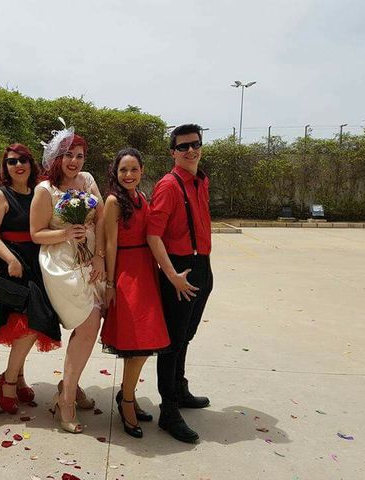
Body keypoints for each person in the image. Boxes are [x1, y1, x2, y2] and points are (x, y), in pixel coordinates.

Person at [30, 122, 106, 434]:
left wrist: (100, 254)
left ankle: (68, 384)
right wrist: (65, 232)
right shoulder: (45, 190)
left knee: (90, 325)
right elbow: (35, 234)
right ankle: (67, 399)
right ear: (56, 158)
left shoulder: (87, 181)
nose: (74, 161)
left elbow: (101, 217)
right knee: (88, 323)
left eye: (80, 155)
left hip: (90, 259)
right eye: (68, 155)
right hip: (59, 263)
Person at [0, 144, 62, 414]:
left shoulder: (39, 191)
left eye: (23, 160)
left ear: (31, 163)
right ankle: (9, 382)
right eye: (12, 161)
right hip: (10, 266)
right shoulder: (0, 195)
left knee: (28, 326)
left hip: (36, 264)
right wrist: (11, 259)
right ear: (5, 167)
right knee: (26, 325)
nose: (18, 165)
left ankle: (16, 378)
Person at [147, 124, 214, 443]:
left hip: (202, 265)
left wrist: (205, 270)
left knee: (186, 336)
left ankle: (180, 389)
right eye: (183, 147)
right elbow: (153, 234)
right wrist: (171, 274)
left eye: (195, 145)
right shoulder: (168, 185)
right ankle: (168, 411)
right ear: (173, 152)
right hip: (180, 269)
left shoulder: (202, 181)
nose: (191, 151)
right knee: (172, 343)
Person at [101, 147, 171, 438]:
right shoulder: (114, 201)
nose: (128, 175)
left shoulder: (143, 198)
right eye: (123, 170)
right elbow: (110, 245)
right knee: (135, 343)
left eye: (133, 169)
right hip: (127, 274)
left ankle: (126, 395)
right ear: (116, 174)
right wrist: (109, 283)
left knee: (145, 343)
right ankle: (127, 400)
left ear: (142, 170)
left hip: (146, 271)